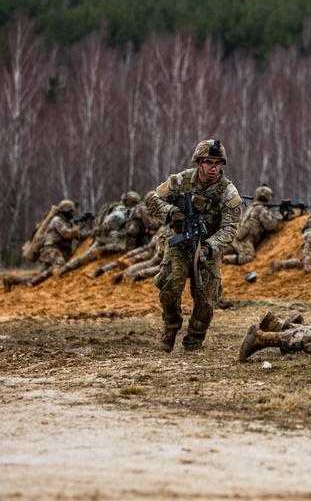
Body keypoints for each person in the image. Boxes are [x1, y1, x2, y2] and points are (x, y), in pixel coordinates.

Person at [147, 139, 241, 352]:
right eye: (209, 162)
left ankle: (194, 341)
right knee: (170, 284)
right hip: (179, 242)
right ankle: (170, 329)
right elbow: (153, 199)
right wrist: (171, 213)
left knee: (207, 297)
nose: (214, 167)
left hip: (208, 246)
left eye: (218, 163)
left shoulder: (228, 193)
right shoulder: (181, 181)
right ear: (198, 163)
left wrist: (208, 248)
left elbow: (230, 229)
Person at [56, 191, 143, 277]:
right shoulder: (126, 212)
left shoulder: (115, 208)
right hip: (110, 238)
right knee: (122, 244)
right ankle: (102, 250)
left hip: (100, 236)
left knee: (86, 256)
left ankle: (66, 268)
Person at [3, 200, 84, 292]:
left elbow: (80, 237)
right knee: (60, 264)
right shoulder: (57, 220)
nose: (73, 213)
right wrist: (76, 230)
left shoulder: (69, 223)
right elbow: (65, 233)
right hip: (49, 249)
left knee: (42, 276)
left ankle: (11, 280)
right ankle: (34, 282)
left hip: (56, 250)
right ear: (66, 211)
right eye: (71, 211)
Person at [86, 191, 164, 279]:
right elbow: (150, 225)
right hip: (133, 236)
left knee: (129, 254)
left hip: (134, 235)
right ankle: (99, 271)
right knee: (124, 257)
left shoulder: (140, 207)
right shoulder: (143, 209)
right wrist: (162, 222)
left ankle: (102, 266)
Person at [222, 186, 282, 266]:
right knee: (249, 257)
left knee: (222, 251)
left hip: (238, 237)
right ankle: (225, 259)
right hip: (245, 240)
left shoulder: (252, 207)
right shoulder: (261, 209)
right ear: (269, 197)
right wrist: (279, 216)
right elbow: (270, 226)